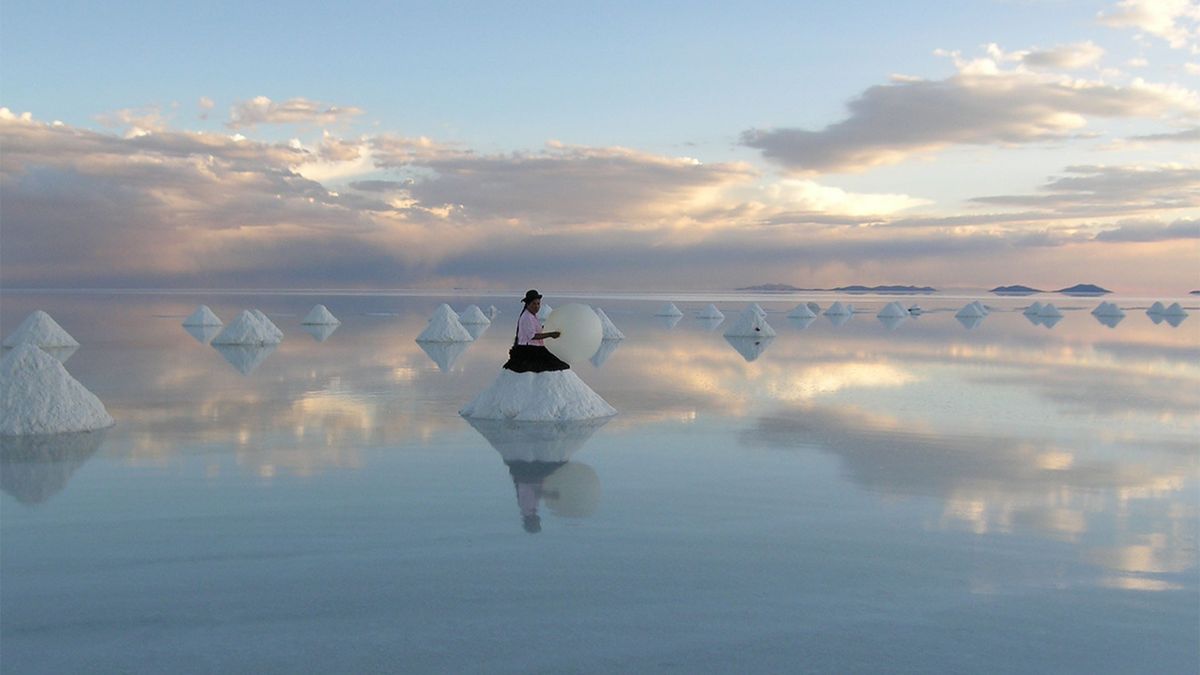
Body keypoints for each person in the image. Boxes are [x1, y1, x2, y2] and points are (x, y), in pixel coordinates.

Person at [503, 290, 569, 372]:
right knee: (558, 364)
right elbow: (533, 336)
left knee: (561, 362)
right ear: (527, 304)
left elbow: (537, 329)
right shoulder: (527, 317)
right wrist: (550, 334)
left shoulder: (532, 316)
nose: (536, 306)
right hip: (529, 350)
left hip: (536, 348)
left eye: (538, 304)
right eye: (533, 303)